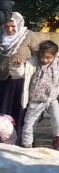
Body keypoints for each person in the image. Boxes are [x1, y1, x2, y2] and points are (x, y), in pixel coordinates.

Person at [0, 11, 39, 145]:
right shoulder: (1, 36)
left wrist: (26, 62)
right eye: (6, 26)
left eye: (12, 26)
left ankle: (22, 139)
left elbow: (38, 55)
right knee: (4, 110)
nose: (9, 29)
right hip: (3, 80)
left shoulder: (28, 35)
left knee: (20, 109)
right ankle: (5, 138)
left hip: (22, 80)